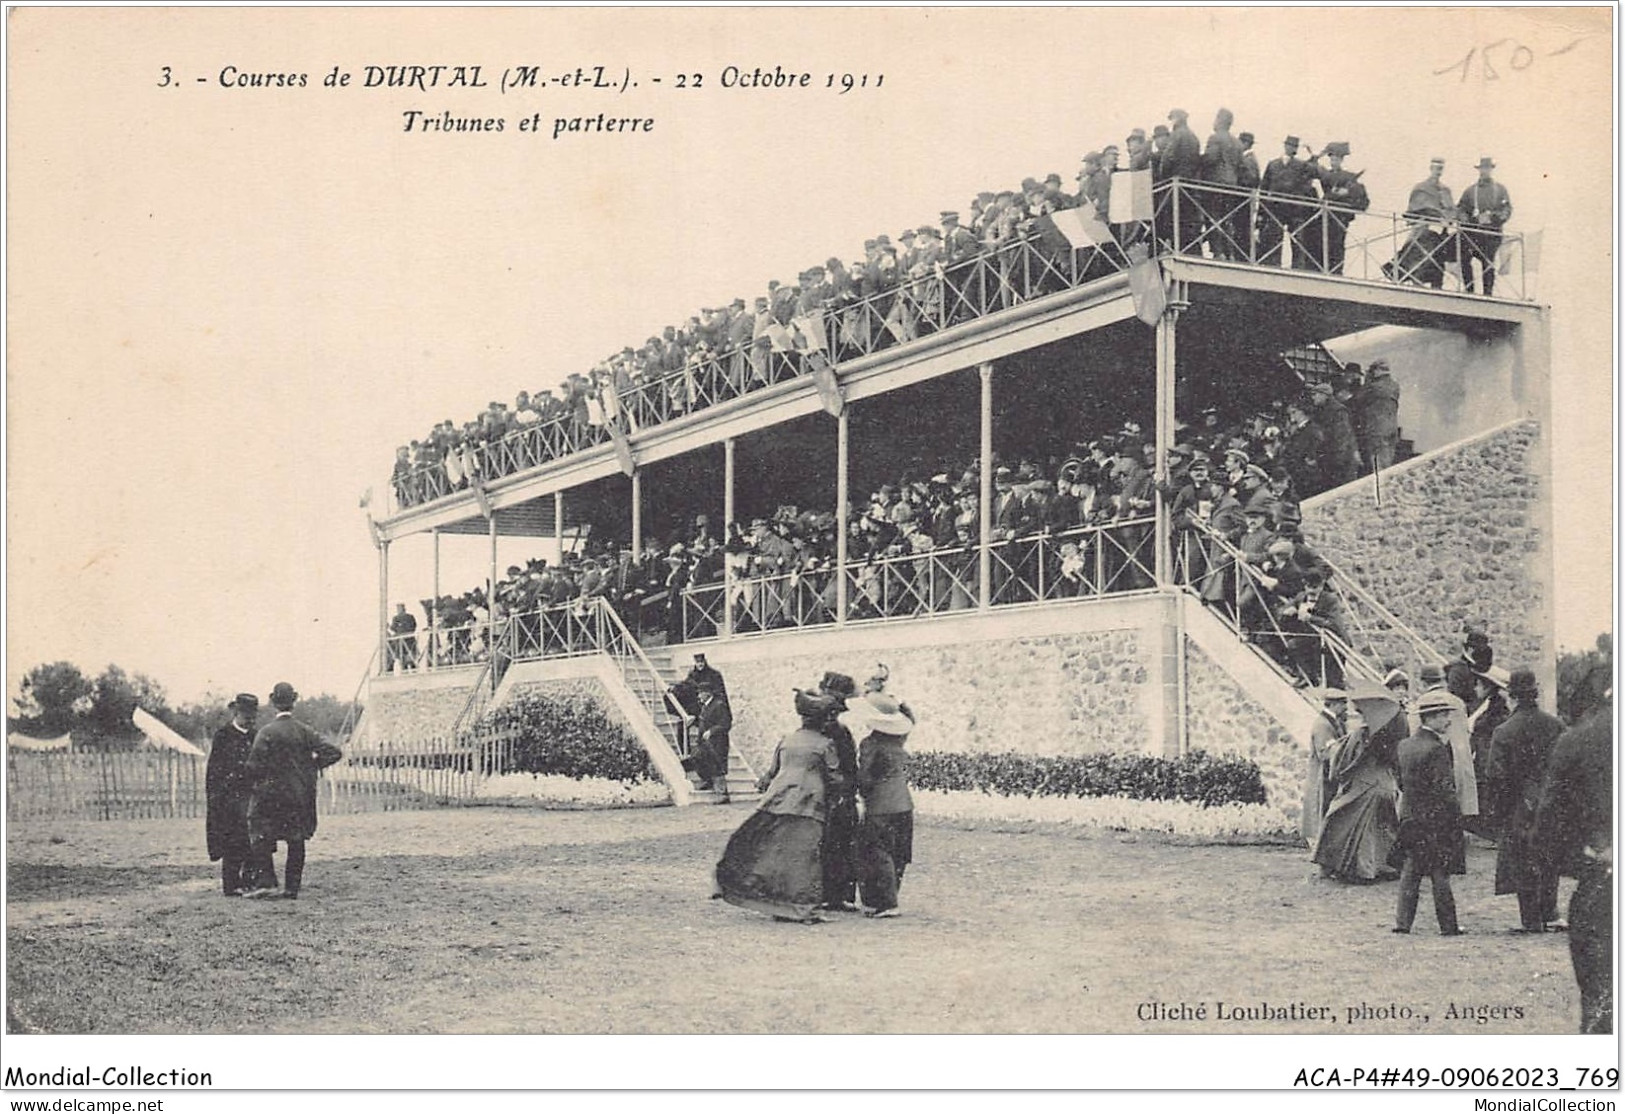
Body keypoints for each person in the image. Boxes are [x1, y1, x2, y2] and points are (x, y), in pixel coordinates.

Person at [713, 689, 846, 923]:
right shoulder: (826, 744)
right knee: (806, 856)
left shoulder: (786, 740)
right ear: (821, 720)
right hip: (809, 803)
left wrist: (765, 784)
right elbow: (835, 777)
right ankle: (805, 908)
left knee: (778, 852)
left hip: (778, 798)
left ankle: (778, 904)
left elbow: (772, 772)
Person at [1533, 683, 1613, 1032]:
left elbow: (1548, 827)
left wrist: (1587, 859)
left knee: (1602, 1008)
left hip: (1603, 885)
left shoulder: (1579, 739)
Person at [242, 682, 344, 900]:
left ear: (272, 701)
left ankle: (267, 882)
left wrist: (261, 780)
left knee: (258, 831)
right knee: (296, 840)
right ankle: (292, 888)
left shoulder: (266, 732)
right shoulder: (305, 731)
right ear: (294, 701)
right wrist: (313, 766)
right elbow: (334, 752)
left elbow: (253, 766)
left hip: (271, 797)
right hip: (299, 795)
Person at [1488, 669, 1566, 933]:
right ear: (1535, 693)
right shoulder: (1555, 725)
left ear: (1511, 697)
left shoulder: (1503, 731)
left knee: (1522, 861)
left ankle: (1530, 919)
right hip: (1550, 803)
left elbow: (1496, 777)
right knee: (1549, 858)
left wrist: (1502, 811)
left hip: (1518, 807)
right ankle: (1551, 913)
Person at [1393, 689, 1465, 935]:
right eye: (1444, 715)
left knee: (1411, 870)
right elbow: (1445, 790)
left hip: (1410, 817)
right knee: (1439, 872)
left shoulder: (1404, 746)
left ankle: (1403, 923)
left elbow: (1400, 782)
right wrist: (1455, 818)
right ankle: (1449, 926)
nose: (1448, 720)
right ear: (1431, 718)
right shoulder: (1437, 749)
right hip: (1435, 821)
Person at [1312, 689, 1401, 883]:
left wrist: (1340, 763)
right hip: (1385, 784)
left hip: (1365, 785)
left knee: (1337, 818)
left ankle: (1359, 870)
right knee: (1381, 827)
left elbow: (1346, 761)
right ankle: (1384, 866)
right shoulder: (1388, 732)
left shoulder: (1361, 733)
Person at [853, 690, 916, 918]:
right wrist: (899, 704)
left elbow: (865, 777)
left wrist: (859, 790)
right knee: (898, 853)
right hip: (904, 803)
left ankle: (884, 902)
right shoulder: (898, 741)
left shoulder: (870, 744)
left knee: (876, 853)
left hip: (880, 806)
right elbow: (911, 721)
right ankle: (890, 898)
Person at [205, 693, 259, 897]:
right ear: (236, 712)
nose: (250, 719)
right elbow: (215, 770)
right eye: (246, 714)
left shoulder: (256, 735)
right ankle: (231, 883)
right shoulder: (223, 736)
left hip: (252, 796)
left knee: (253, 839)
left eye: (253, 715)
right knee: (232, 840)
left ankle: (250, 880)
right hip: (229, 797)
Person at [818, 672, 863, 913]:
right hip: (839, 794)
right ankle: (840, 895)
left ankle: (835, 894)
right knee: (840, 844)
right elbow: (850, 767)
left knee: (834, 843)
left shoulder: (829, 733)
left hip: (832, 794)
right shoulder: (839, 733)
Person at [1301, 688, 1350, 852]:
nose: (1345, 707)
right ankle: (1319, 847)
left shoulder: (1334, 721)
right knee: (1320, 809)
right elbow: (1325, 753)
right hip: (1321, 777)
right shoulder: (1323, 724)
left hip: (1329, 776)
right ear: (1334, 704)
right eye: (1343, 704)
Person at [1457, 157, 1512, 295]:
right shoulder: (1470, 191)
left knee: (1488, 263)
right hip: (1473, 233)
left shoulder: (1500, 190)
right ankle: (1469, 290)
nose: (1484, 171)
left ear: (1491, 170)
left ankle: (1488, 293)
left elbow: (1506, 210)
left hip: (1491, 234)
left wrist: (1493, 217)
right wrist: (1470, 220)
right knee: (1465, 258)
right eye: (1482, 168)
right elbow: (1461, 209)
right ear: (1479, 170)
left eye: (1487, 168)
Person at [1351, 359, 1401, 472]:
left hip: (1376, 430)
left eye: (1372, 370)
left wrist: (1367, 381)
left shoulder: (1373, 386)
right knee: (1386, 462)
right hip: (1392, 428)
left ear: (1378, 371)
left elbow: (1357, 399)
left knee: (1377, 465)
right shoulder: (1395, 386)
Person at [690, 679, 733, 799]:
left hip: (718, 742)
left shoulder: (719, 705)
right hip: (705, 743)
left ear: (707, 693)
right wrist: (694, 721)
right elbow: (704, 723)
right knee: (697, 758)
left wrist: (712, 731)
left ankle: (723, 794)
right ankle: (707, 780)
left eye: (700, 693)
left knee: (718, 766)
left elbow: (726, 723)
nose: (699, 696)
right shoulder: (705, 706)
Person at [388, 602, 418, 672]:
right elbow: (414, 626)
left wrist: (389, 627)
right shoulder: (410, 617)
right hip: (410, 639)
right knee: (410, 657)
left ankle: (405, 670)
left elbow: (393, 628)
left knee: (402, 657)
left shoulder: (397, 618)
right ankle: (413, 669)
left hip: (402, 640)